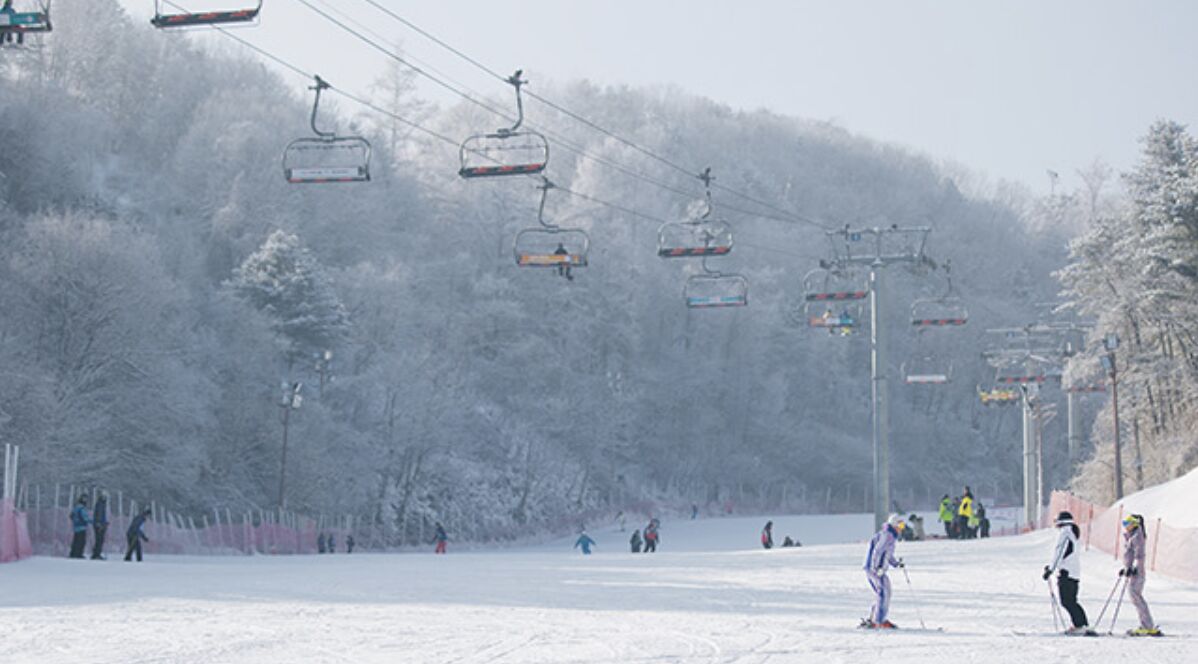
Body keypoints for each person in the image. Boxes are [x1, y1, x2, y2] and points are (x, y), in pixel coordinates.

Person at [1042, 511, 1091, 634]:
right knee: (1071, 601)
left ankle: (1080, 625)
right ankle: (1082, 624)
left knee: (1067, 601)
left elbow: (1060, 552)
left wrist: (1051, 569)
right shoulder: (1072, 533)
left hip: (1066, 572)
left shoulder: (1065, 534)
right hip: (1073, 572)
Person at [861, 514, 905, 629]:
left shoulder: (888, 535)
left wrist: (896, 564)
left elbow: (887, 555)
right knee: (883, 592)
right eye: (900, 525)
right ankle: (879, 621)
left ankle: (875, 619)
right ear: (894, 524)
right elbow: (878, 551)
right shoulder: (888, 535)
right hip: (875, 569)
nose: (901, 528)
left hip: (873, 568)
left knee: (882, 592)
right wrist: (876, 568)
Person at [1120, 514, 1160, 637]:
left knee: (1136, 596)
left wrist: (1134, 568)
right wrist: (1126, 568)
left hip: (1138, 572)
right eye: (1124, 523)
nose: (1125, 526)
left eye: (1127, 523)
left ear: (1134, 524)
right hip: (1134, 571)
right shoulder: (1132, 536)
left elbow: (1139, 555)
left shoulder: (1137, 537)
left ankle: (1147, 625)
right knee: (1135, 597)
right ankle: (1146, 624)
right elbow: (1129, 554)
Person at [91, 493, 109, 560]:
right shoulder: (100, 504)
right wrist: (99, 523)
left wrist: (105, 522)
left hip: (101, 524)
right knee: (99, 540)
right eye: (103, 497)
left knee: (99, 539)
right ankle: (96, 554)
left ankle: (96, 553)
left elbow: (102, 516)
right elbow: (99, 515)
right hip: (99, 525)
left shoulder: (102, 505)